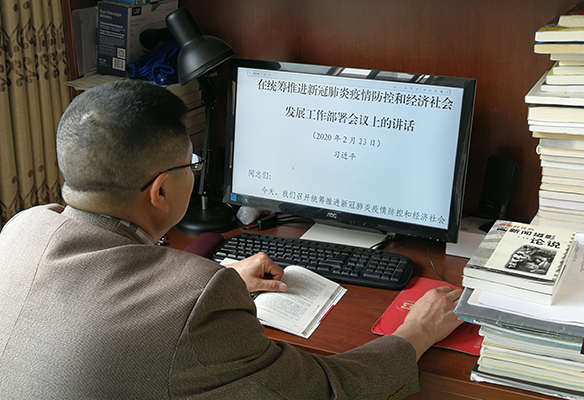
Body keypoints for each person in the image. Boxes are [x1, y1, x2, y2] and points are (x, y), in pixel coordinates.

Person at [0, 80, 462, 399]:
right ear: (160, 191)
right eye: (191, 165)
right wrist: (417, 331)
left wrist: (221, 282)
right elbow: (324, 391)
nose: (195, 172)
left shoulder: (20, 229)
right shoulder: (197, 298)